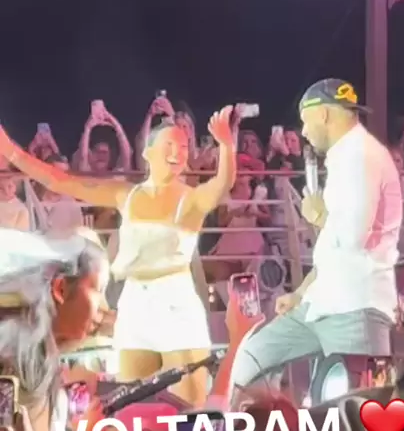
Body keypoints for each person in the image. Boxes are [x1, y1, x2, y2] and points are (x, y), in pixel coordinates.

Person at [0, 108, 236, 405]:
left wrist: (226, 146)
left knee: (190, 407)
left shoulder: (190, 198)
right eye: (169, 145)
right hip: (135, 300)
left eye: (183, 147)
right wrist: (10, 150)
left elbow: (221, 184)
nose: (177, 153)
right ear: (147, 152)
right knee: (131, 403)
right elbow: (60, 181)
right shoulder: (127, 195)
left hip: (176, 300)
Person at [230, 79, 402, 404]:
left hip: (355, 308)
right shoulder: (345, 156)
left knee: (356, 414)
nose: (304, 131)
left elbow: (352, 238)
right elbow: (333, 254)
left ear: (323, 114)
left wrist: (319, 216)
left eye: (305, 121)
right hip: (322, 304)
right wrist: (300, 293)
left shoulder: (360, 156)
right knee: (250, 358)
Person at [0, 228, 110, 431]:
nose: (103, 307)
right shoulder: (28, 352)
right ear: (60, 289)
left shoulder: (27, 342)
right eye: (98, 290)